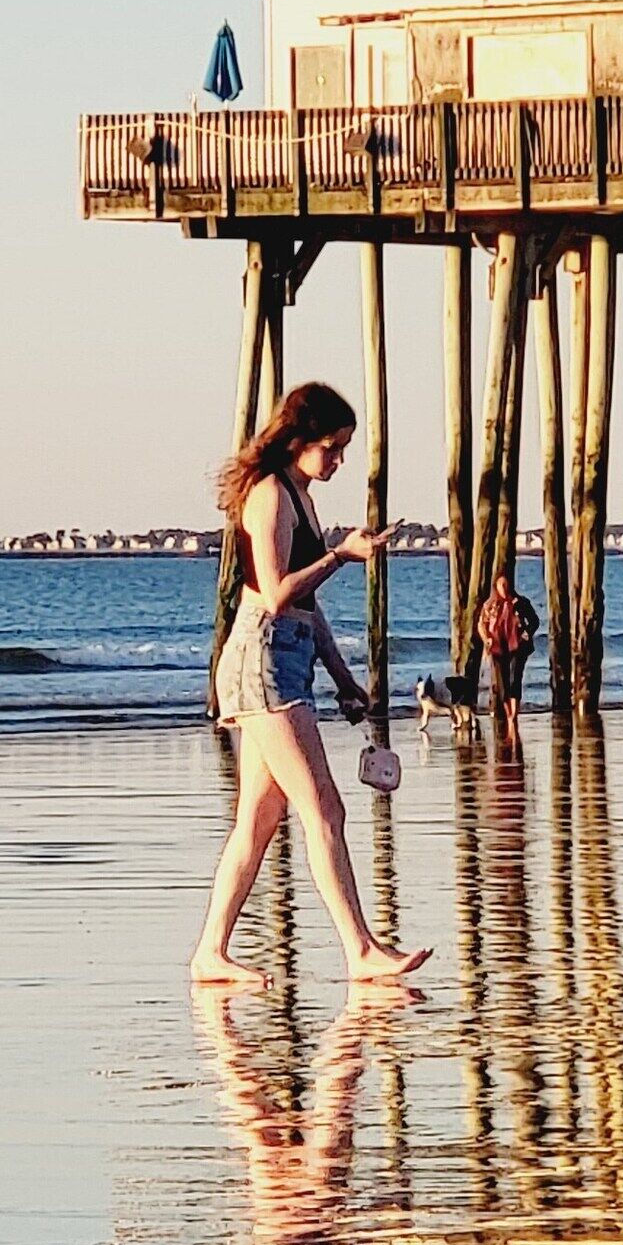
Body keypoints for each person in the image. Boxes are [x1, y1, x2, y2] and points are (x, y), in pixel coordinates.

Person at [192, 382, 429, 992]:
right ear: (300, 441)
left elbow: (308, 608)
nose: (339, 460)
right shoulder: (270, 494)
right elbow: (275, 593)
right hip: (261, 660)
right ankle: (361, 951)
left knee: (260, 818)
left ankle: (210, 954)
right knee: (324, 807)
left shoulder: (299, 494)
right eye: (333, 447)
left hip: (288, 657)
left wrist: (345, 678)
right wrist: (342, 557)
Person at [473, 569, 541, 766]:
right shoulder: (490, 605)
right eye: (500, 586)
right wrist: (486, 638)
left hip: (516, 647)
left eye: (506, 585)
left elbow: (534, 620)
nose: (504, 589)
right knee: (501, 684)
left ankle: (513, 716)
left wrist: (527, 632)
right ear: (496, 587)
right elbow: (481, 624)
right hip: (497, 648)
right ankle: (506, 711)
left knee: (514, 679)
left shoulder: (520, 603)